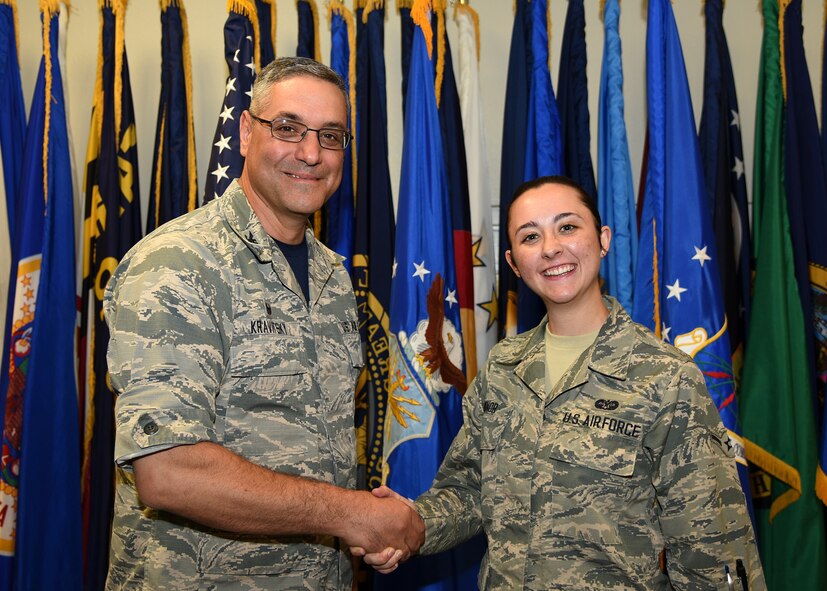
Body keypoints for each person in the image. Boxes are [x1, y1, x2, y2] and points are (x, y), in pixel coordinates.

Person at [104, 57, 422, 590]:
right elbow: (168, 471)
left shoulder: (333, 277)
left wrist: (370, 523)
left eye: (331, 135)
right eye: (289, 128)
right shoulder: (178, 264)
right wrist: (351, 514)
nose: (311, 153)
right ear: (247, 133)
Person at [360, 176, 766, 590]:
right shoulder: (503, 367)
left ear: (603, 239)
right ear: (515, 262)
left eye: (567, 227)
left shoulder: (666, 377)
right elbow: (469, 489)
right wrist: (411, 524)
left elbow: (712, 549)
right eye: (530, 236)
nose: (551, 247)